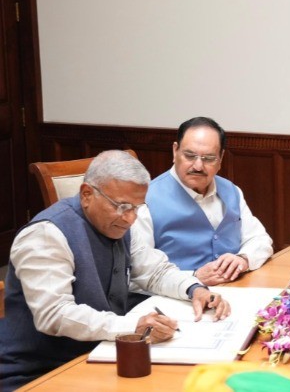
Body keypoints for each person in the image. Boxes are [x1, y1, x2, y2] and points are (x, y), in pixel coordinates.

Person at [0, 151, 231, 391]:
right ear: (87, 194)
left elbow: (155, 272)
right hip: (38, 374)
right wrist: (132, 327)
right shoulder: (46, 235)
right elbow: (54, 314)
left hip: (100, 355)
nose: (130, 218)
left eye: (137, 207)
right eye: (121, 207)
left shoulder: (120, 224)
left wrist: (195, 289)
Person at [132, 117, 273, 286]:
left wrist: (243, 259)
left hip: (236, 288)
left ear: (221, 158)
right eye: (189, 156)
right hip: (176, 296)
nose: (198, 166)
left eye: (208, 158)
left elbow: (260, 239)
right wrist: (193, 277)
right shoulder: (145, 201)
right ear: (175, 151)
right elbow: (139, 272)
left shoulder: (232, 191)